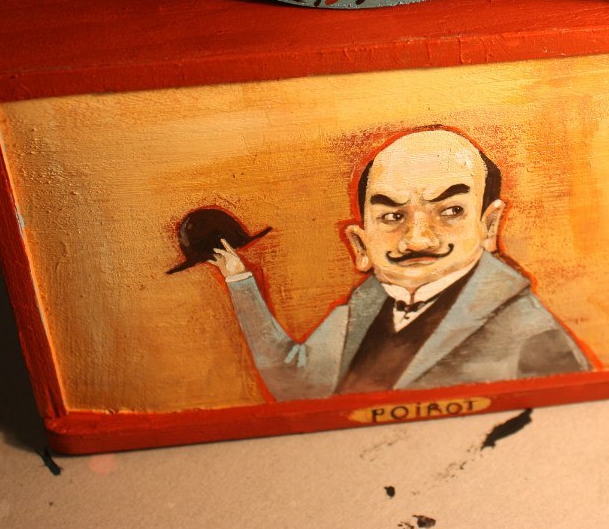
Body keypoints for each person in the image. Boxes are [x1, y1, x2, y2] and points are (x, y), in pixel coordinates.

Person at [208, 127, 589, 400]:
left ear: (489, 226)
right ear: (361, 244)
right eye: (392, 217)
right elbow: (298, 386)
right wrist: (240, 281)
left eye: (451, 210)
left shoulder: (532, 336)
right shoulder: (362, 310)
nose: (418, 239)